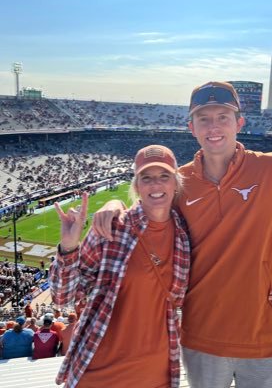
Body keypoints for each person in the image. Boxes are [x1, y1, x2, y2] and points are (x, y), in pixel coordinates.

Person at [93, 81, 272, 387]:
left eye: (223, 117)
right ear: (192, 127)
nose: (213, 126)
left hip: (263, 335)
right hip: (202, 338)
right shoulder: (179, 183)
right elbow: (141, 220)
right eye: (204, 119)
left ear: (239, 123)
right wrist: (114, 203)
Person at [50, 145, 191, 388]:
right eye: (146, 178)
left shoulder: (185, 233)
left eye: (164, 176)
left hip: (157, 374)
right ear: (136, 186)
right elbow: (63, 298)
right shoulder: (112, 226)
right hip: (99, 373)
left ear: (175, 183)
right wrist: (69, 247)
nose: (156, 185)